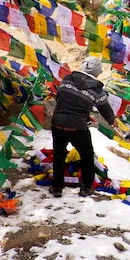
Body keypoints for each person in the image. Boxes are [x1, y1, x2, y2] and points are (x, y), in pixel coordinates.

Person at [49, 56, 116, 198]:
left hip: (57, 122)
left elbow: (60, 98)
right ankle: (86, 187)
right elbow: (105, 109)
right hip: (77, 127)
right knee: (87, 155)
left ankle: (56, 187)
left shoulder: (67, 79)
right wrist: (112, 121)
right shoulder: (97, 90)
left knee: (59, 154)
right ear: (97, 72)